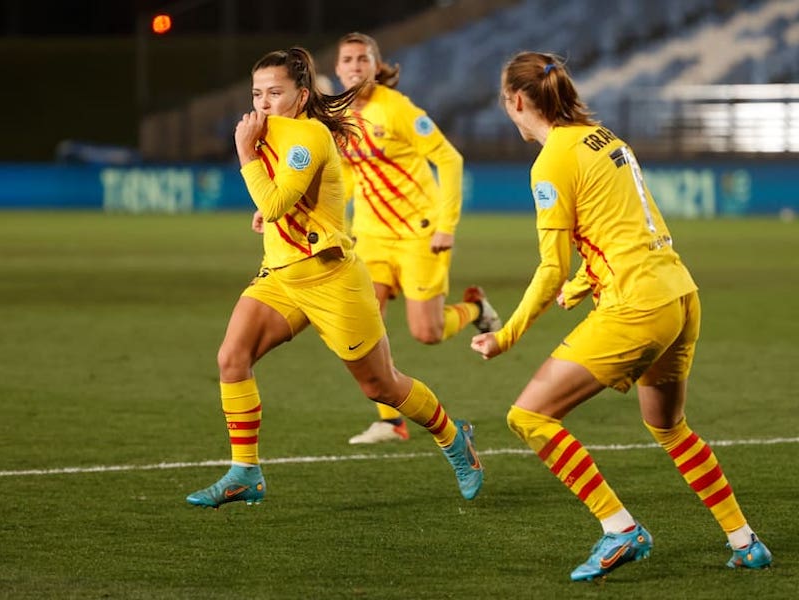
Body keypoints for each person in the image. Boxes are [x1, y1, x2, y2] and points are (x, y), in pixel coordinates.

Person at [470, 51, 772, 581]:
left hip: (639, 305)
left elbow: (548, 267)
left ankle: (620, 528)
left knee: (530, 417)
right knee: (669, 427)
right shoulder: (604, 138)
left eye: (506, 103)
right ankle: (745, 541)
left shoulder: (551, 161)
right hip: (679, 295)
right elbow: (629, 224)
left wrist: (506, 335)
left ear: (517, 101)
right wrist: (586, 282)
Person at [186, 47, 483, 508]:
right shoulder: (273, 133)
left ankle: (453, 438)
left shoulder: (307, 136)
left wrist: (247, 160)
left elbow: (278, 200)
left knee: (380, 385)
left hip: (330, 279)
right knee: (232, 357)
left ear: (301, 96)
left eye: (275, 93)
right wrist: (267, 208)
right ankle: (245, 471)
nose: (262, 103)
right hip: (282, 275)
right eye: (256, 93)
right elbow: (280, 201)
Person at [334, 32, 502, 445]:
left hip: (418, 234)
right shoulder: (338, 115)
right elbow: (350, 173)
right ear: (337, 69)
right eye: (348, 59)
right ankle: (390, 421)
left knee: (426, 333)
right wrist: (334, 219)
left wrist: (448, 224)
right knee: (362, 323)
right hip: (370, 236)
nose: (355, 65)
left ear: (376, 66)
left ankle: (475, 307)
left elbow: (449, 158)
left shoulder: (399, 110)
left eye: (362, 58)